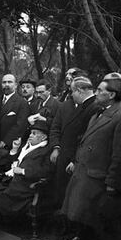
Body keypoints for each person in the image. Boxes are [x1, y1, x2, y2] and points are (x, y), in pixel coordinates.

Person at [61, 76, 121, 240]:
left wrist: (112, 183)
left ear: (112, 94)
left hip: (99, 181)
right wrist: (76, 161)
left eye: (100, 90)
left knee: (97, 229)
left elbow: (120, 156)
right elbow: (85, 141)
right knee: (86, 225)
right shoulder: (99, 112)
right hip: (85, 176)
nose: (96, 93)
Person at [49, 77, 99, 209]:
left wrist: (74, 160)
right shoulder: (85, 106)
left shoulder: (93, 107)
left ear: (79, 91)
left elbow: (85, 138)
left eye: (72, 91)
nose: (71, 95)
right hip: (66, 155)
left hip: (74, 159)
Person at [0, 74, 30, 150]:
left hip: (10, 146)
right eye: (4, 82)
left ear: (15, 85)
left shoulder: (22, 103)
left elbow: (20, 125)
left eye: (9, 82)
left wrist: (5, 141)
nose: (6, 85)